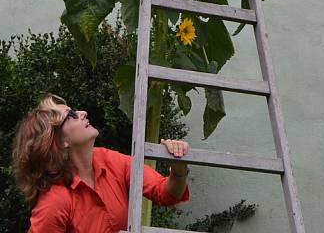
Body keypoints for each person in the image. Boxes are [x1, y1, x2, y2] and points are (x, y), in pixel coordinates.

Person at [12, 93, 190, 232]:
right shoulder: (55, 202)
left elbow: (166, 193)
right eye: (71, 114)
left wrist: (178, 168)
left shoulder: (109, 160)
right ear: (58, 141)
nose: (82, 113)